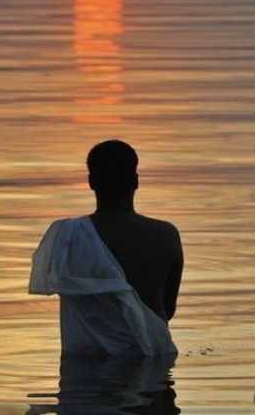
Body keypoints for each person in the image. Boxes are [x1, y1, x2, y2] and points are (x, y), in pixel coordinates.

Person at [29, 139, 183, 356]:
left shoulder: (67, 236)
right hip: (152, 360)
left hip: (83, 368)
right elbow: (167, 311)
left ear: (91, 182)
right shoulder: (166, 235)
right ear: (136, 181)